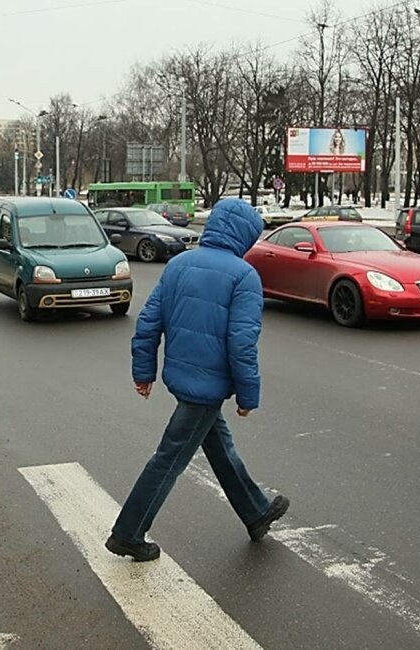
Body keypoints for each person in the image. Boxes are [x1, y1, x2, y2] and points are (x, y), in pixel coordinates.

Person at [106, 198, 289, 562]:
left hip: (184, 377)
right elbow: (241, 343)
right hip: (208, 386)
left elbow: (148, 324)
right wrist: (247, 396)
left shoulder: (178, 265)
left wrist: (144, 372)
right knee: (169, 458)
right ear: (245, 236)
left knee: (219, 447)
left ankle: (255, 512)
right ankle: (128, 532)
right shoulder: (243, 276)